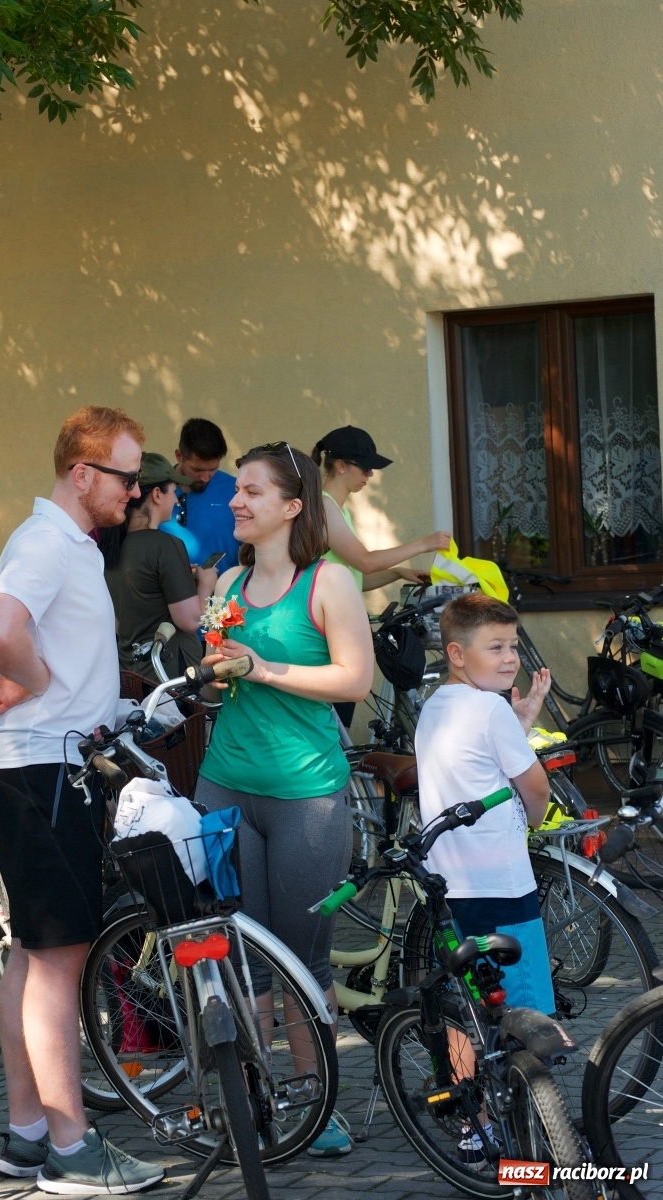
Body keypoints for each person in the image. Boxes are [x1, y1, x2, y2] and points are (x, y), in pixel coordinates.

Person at [0, 407, 164, 1195]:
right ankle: (74, 1150)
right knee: (57, 963)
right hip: (44, 773)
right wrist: (38, 684)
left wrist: (91, 700)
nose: (137, 489)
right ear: (83, 474)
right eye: (127, 475)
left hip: (40, 769)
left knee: (31, 957)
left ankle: (26, 1137)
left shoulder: (67, 543)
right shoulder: (47, 541)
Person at [193, 441, 374, 1159]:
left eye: (251, 491)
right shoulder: (228, 583)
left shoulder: (328, 582)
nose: (235, 501)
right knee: (236, 954)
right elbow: (218, 679)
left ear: (292, 507)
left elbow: (354, 681)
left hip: (306, 795)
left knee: (303, 959)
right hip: (225, 784)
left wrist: (262, 667)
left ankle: (315, 1099)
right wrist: (214, 673)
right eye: (237, 490)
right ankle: (256, 1097)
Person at [414, 592, 554, 1168]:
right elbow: (535, 786)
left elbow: (476, 762)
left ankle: (475, 1128)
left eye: (514, 646)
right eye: (494, 647)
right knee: (523, 1008)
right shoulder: (492, 711)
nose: (509, 658)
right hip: (502, 882)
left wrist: (519, 721)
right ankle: (533, 1125)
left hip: (452, 885)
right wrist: (536, 823)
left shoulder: (436, 705)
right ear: (456, 653)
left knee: (468, 1005)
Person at [311, 424, 452, 725]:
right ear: (340, 465)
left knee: (340, 721)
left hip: (340, 631)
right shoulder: (324, 507)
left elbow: (354, 578)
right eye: (365, 468)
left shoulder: (339, 509)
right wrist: (424, 543)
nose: (370, 475)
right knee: (333, 723)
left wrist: (399, 573)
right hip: (326, 635)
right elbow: (364, 561)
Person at [101, 452, 219, 679]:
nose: (176, 500)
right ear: (156, 494)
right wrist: (206, 583)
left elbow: (118, 622)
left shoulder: (111, 545)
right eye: (173, 492)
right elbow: (190, 621)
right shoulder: (165, 545)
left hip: (129, 672)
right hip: (169, 677)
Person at [159, 417, 239, 567]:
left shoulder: (236, 491)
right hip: (166, 589)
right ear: (179, 455)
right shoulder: (155, 490)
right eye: (197, 470)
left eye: (213, 470)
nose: (205, 478)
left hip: (224, 589)